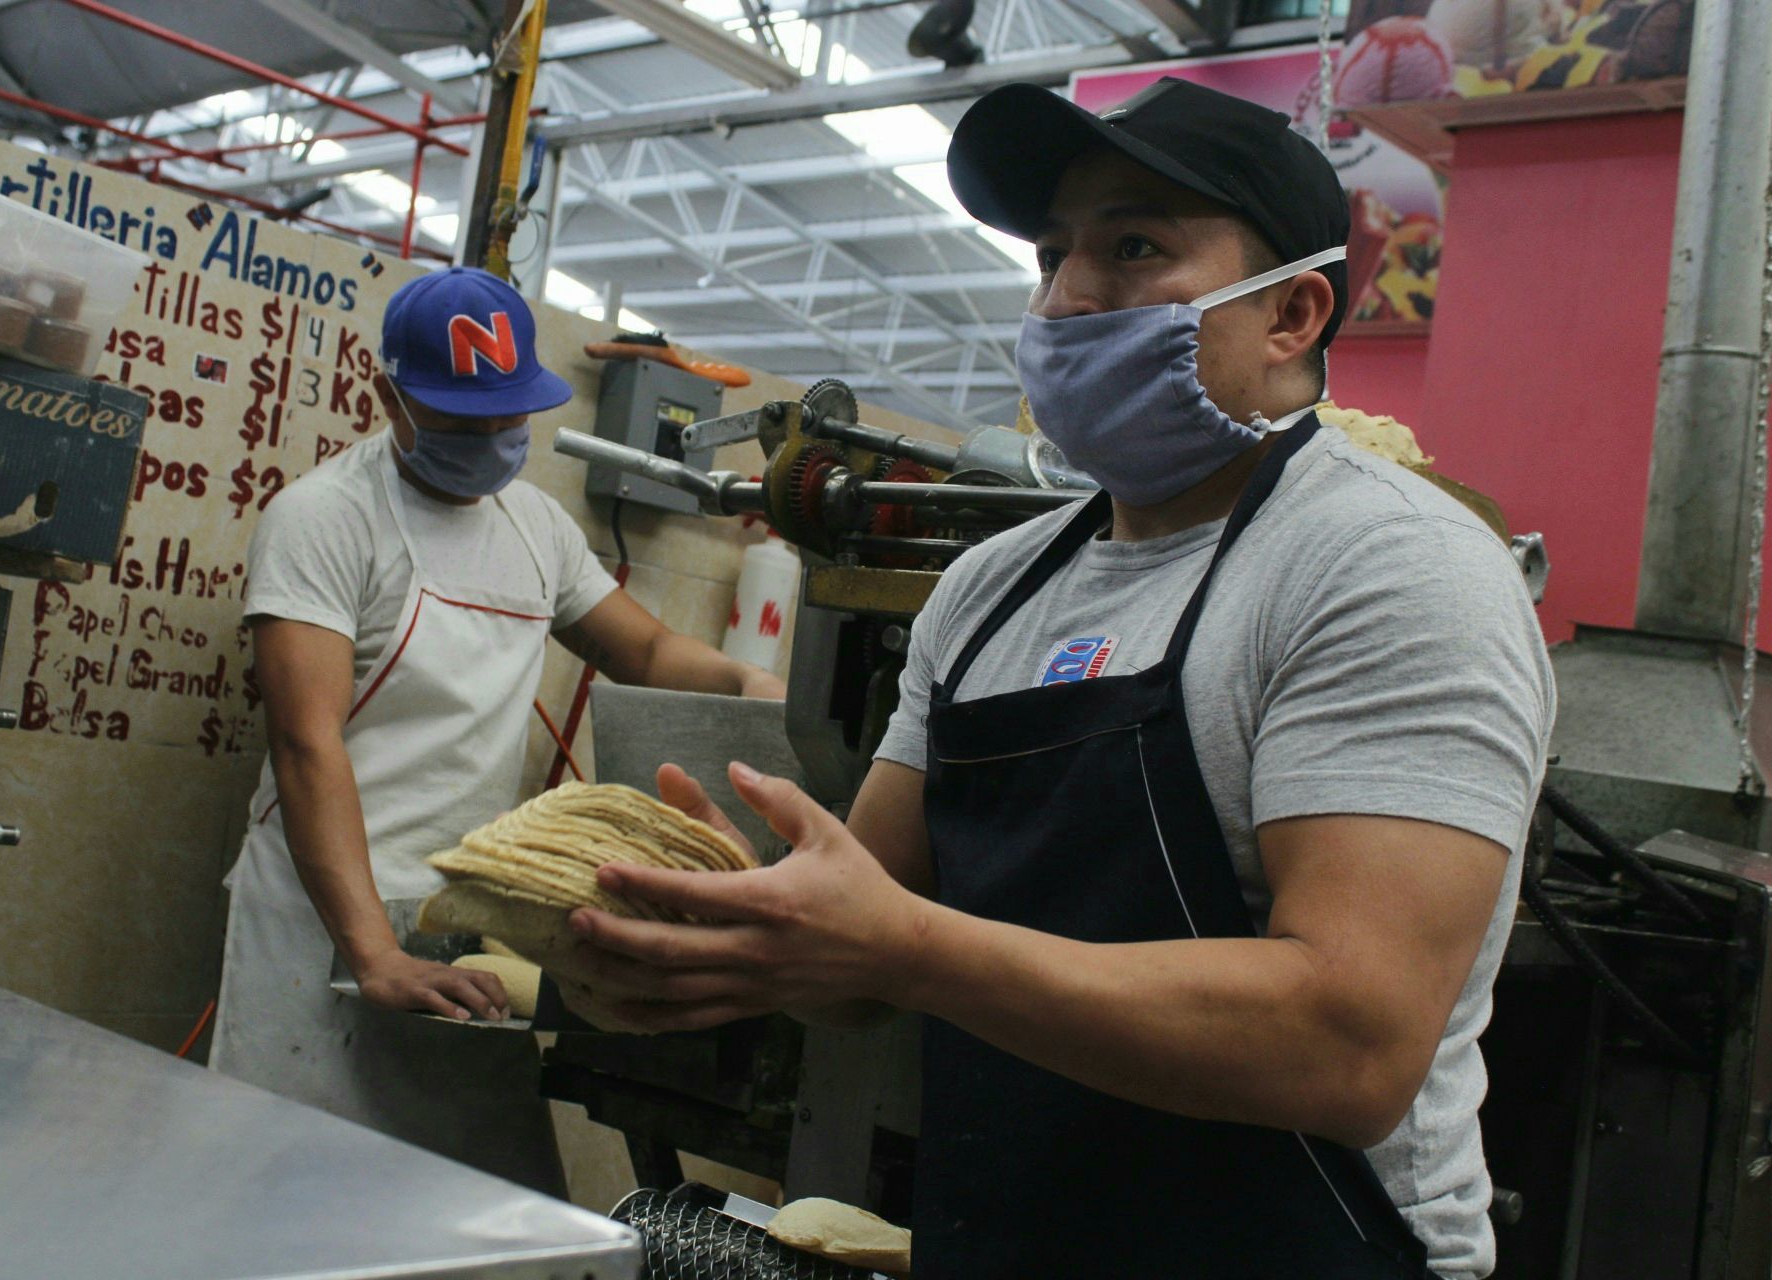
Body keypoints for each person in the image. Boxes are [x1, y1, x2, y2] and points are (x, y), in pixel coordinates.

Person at [559, 80, 1553, 1278]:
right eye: (1050, 253)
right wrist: (717, 944)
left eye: (1134, 246)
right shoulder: (992, 590)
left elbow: (1347, 1043)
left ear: (1293, 312)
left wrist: (908, 948)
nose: (1069, 295)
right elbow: (858, 956)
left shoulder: (1391, 566)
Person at [211, 267, 784, 1191]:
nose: (489, 442)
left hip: (463, 916)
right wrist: (373, 954)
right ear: (387, 395)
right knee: (290, 1210)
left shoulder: (536, 528)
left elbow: (641, 651)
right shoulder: (321, 520)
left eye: (505, 418)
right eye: (459, 420)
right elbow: (305, 745)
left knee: (469, 1216)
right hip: (328, 922)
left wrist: (749, 684)